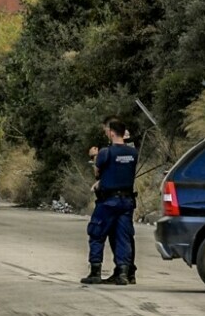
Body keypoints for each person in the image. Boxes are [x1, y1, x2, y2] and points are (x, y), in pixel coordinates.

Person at [80, 117, 137, 286]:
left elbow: (98, 173)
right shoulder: (133, 153)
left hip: (108, 201)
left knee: (97, 233)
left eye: (107, 131)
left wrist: (94, 156)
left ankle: (95, 271)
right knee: (123, 237)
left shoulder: (106, 152)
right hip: (127, 201)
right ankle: (123, 273)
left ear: (112, 132)